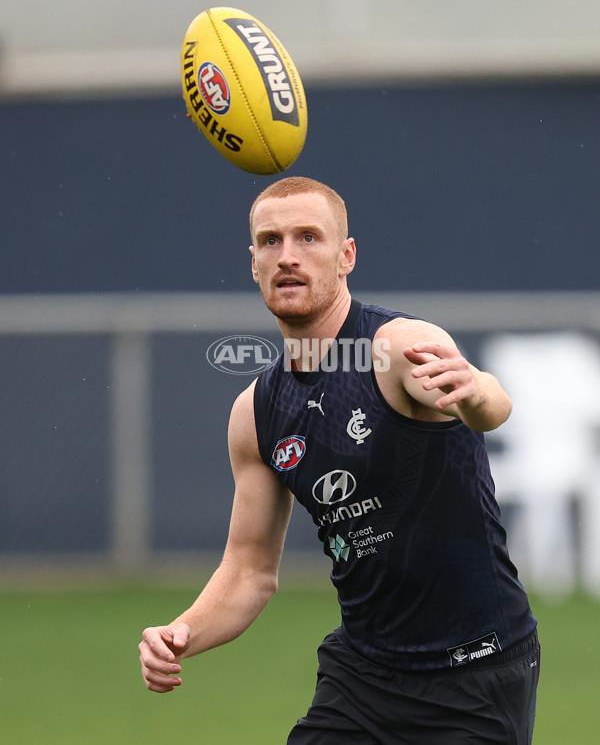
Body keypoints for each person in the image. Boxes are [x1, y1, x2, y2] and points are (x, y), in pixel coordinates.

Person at [139, 176, 540, 744]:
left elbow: (490, 405)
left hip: (475, 672)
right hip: (363, 678)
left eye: (309, 238)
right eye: (270, 241)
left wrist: (475, 392)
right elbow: (250, 571)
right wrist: (179, 633)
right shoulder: (255, 412)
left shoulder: (397, 346)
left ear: (346, 255)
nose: (288, 257)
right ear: (252, 262)